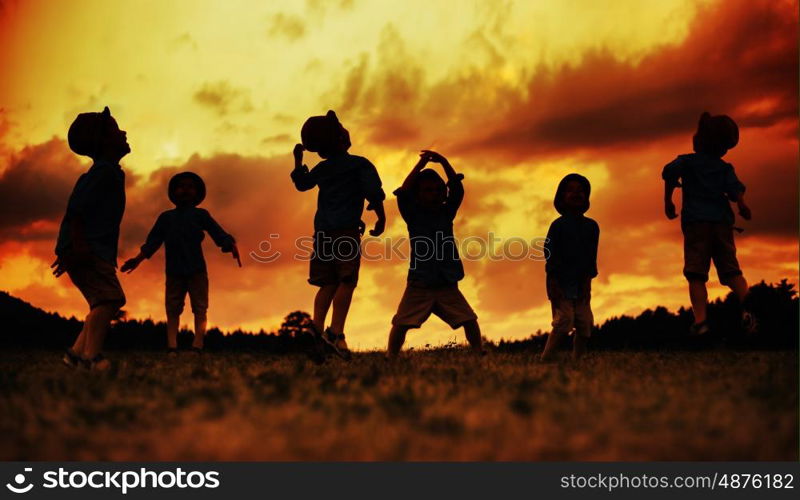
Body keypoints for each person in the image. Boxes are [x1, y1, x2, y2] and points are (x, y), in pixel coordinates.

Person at [291, 110, 386, 361]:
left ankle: (317, 327)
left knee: (327, 282)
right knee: (347, 280)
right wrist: (381, 217)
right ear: (341, 139)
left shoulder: (322, 168)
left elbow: (303, 185)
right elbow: (374, 193)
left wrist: (298, 163)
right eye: (342, 129)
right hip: (345, 231)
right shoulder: (360, 164)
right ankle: (335, 332)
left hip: (322, 231)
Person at [121, 172, 240, 354]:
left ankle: (197, 346)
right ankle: (172, 346)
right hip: (174, 270)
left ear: (197, 192)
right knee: (172, 307)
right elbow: (153, 242)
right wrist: (137, 260)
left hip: (196, 269)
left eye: (190, 187)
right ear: (173, 192)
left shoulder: (201, 215)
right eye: (181, 186)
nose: (185, 190)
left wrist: (229, 244)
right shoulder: (166, 218)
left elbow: (217, 232)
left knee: (200, 307)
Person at [662, 112, 755, 336]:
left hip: (696, 224)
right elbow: (735, 191)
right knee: (732, 271)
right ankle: (750, 309)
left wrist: (668, 200)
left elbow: (668, 172)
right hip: (722, 223)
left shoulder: (687, 161)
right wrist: (742, 204)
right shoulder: (724, 168)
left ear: (699, 139)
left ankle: (701, 320)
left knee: (696, 274)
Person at [53, 106, 129, 372]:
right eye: (117, 130)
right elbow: (77, 210)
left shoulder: (110, 172)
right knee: (108, 300)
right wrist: (77, 246)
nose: (124, 132)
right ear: (104, 140)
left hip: (94, 250)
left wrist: (69, 251)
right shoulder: (103, 172)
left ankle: (75, 354)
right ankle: (90, 357)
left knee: (105, 301)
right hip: (89, 250)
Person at [387, 150, 483, 360]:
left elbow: (456, 189)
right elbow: (403, 192)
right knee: (401, 323)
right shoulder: (413, 215)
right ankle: (391, 357)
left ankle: (479, 353)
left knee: (469, 319)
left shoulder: (446, 212)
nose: (435, 194)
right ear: (418, 195)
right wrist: (420, 165)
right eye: (428, 190)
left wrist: (445, 163)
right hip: (419, 283)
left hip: (446, 282)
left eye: (439, 190)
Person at [540, 173, 599, 362]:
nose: (576, 194)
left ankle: (577, 361)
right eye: (571, 190)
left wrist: (587, 282)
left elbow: (591, 258)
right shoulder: (558, 225)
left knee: (585, 323)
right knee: (564, 321)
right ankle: (546, 359)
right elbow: (549, 253)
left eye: (581, 191)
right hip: (559, 281)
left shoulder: (592, 226)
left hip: (581, 282)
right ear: (562, 197)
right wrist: (554, 283)